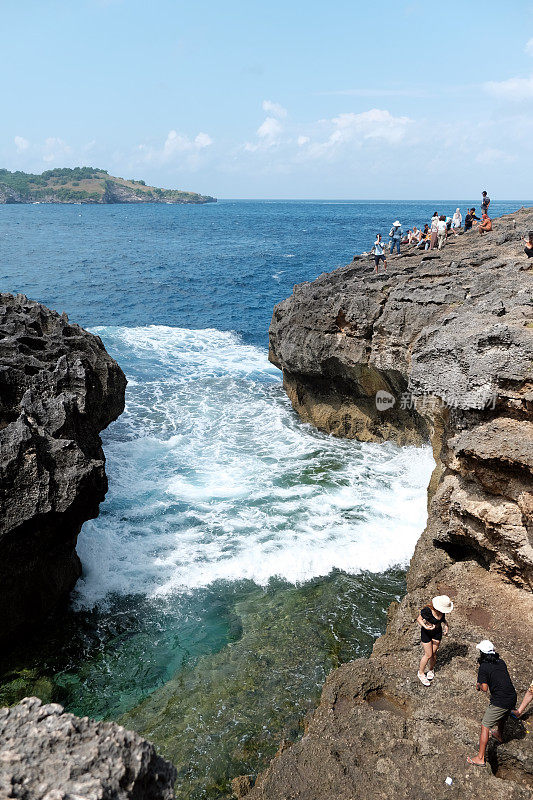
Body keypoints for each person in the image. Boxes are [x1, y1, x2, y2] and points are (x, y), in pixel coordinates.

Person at [467, 640, 517, 767]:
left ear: (482, 654)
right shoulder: (501, 662)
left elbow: (484, 688)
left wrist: (478, 683)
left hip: (499, 701)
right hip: (512, 697)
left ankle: (480, 758)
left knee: (485, 725)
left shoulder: (484, 667)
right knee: (504, 714)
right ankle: (499, 734)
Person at [417, 595, 454, 686]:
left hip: (437, 632)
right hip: (426, 632)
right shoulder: (427, 610)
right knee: (428, 654)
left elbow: (443, 620)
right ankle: (421, 673)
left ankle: (431, 669)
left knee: (433, 653)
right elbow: (419, 619)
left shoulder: (442, 611)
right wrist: (426, 626)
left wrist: (446, 625)